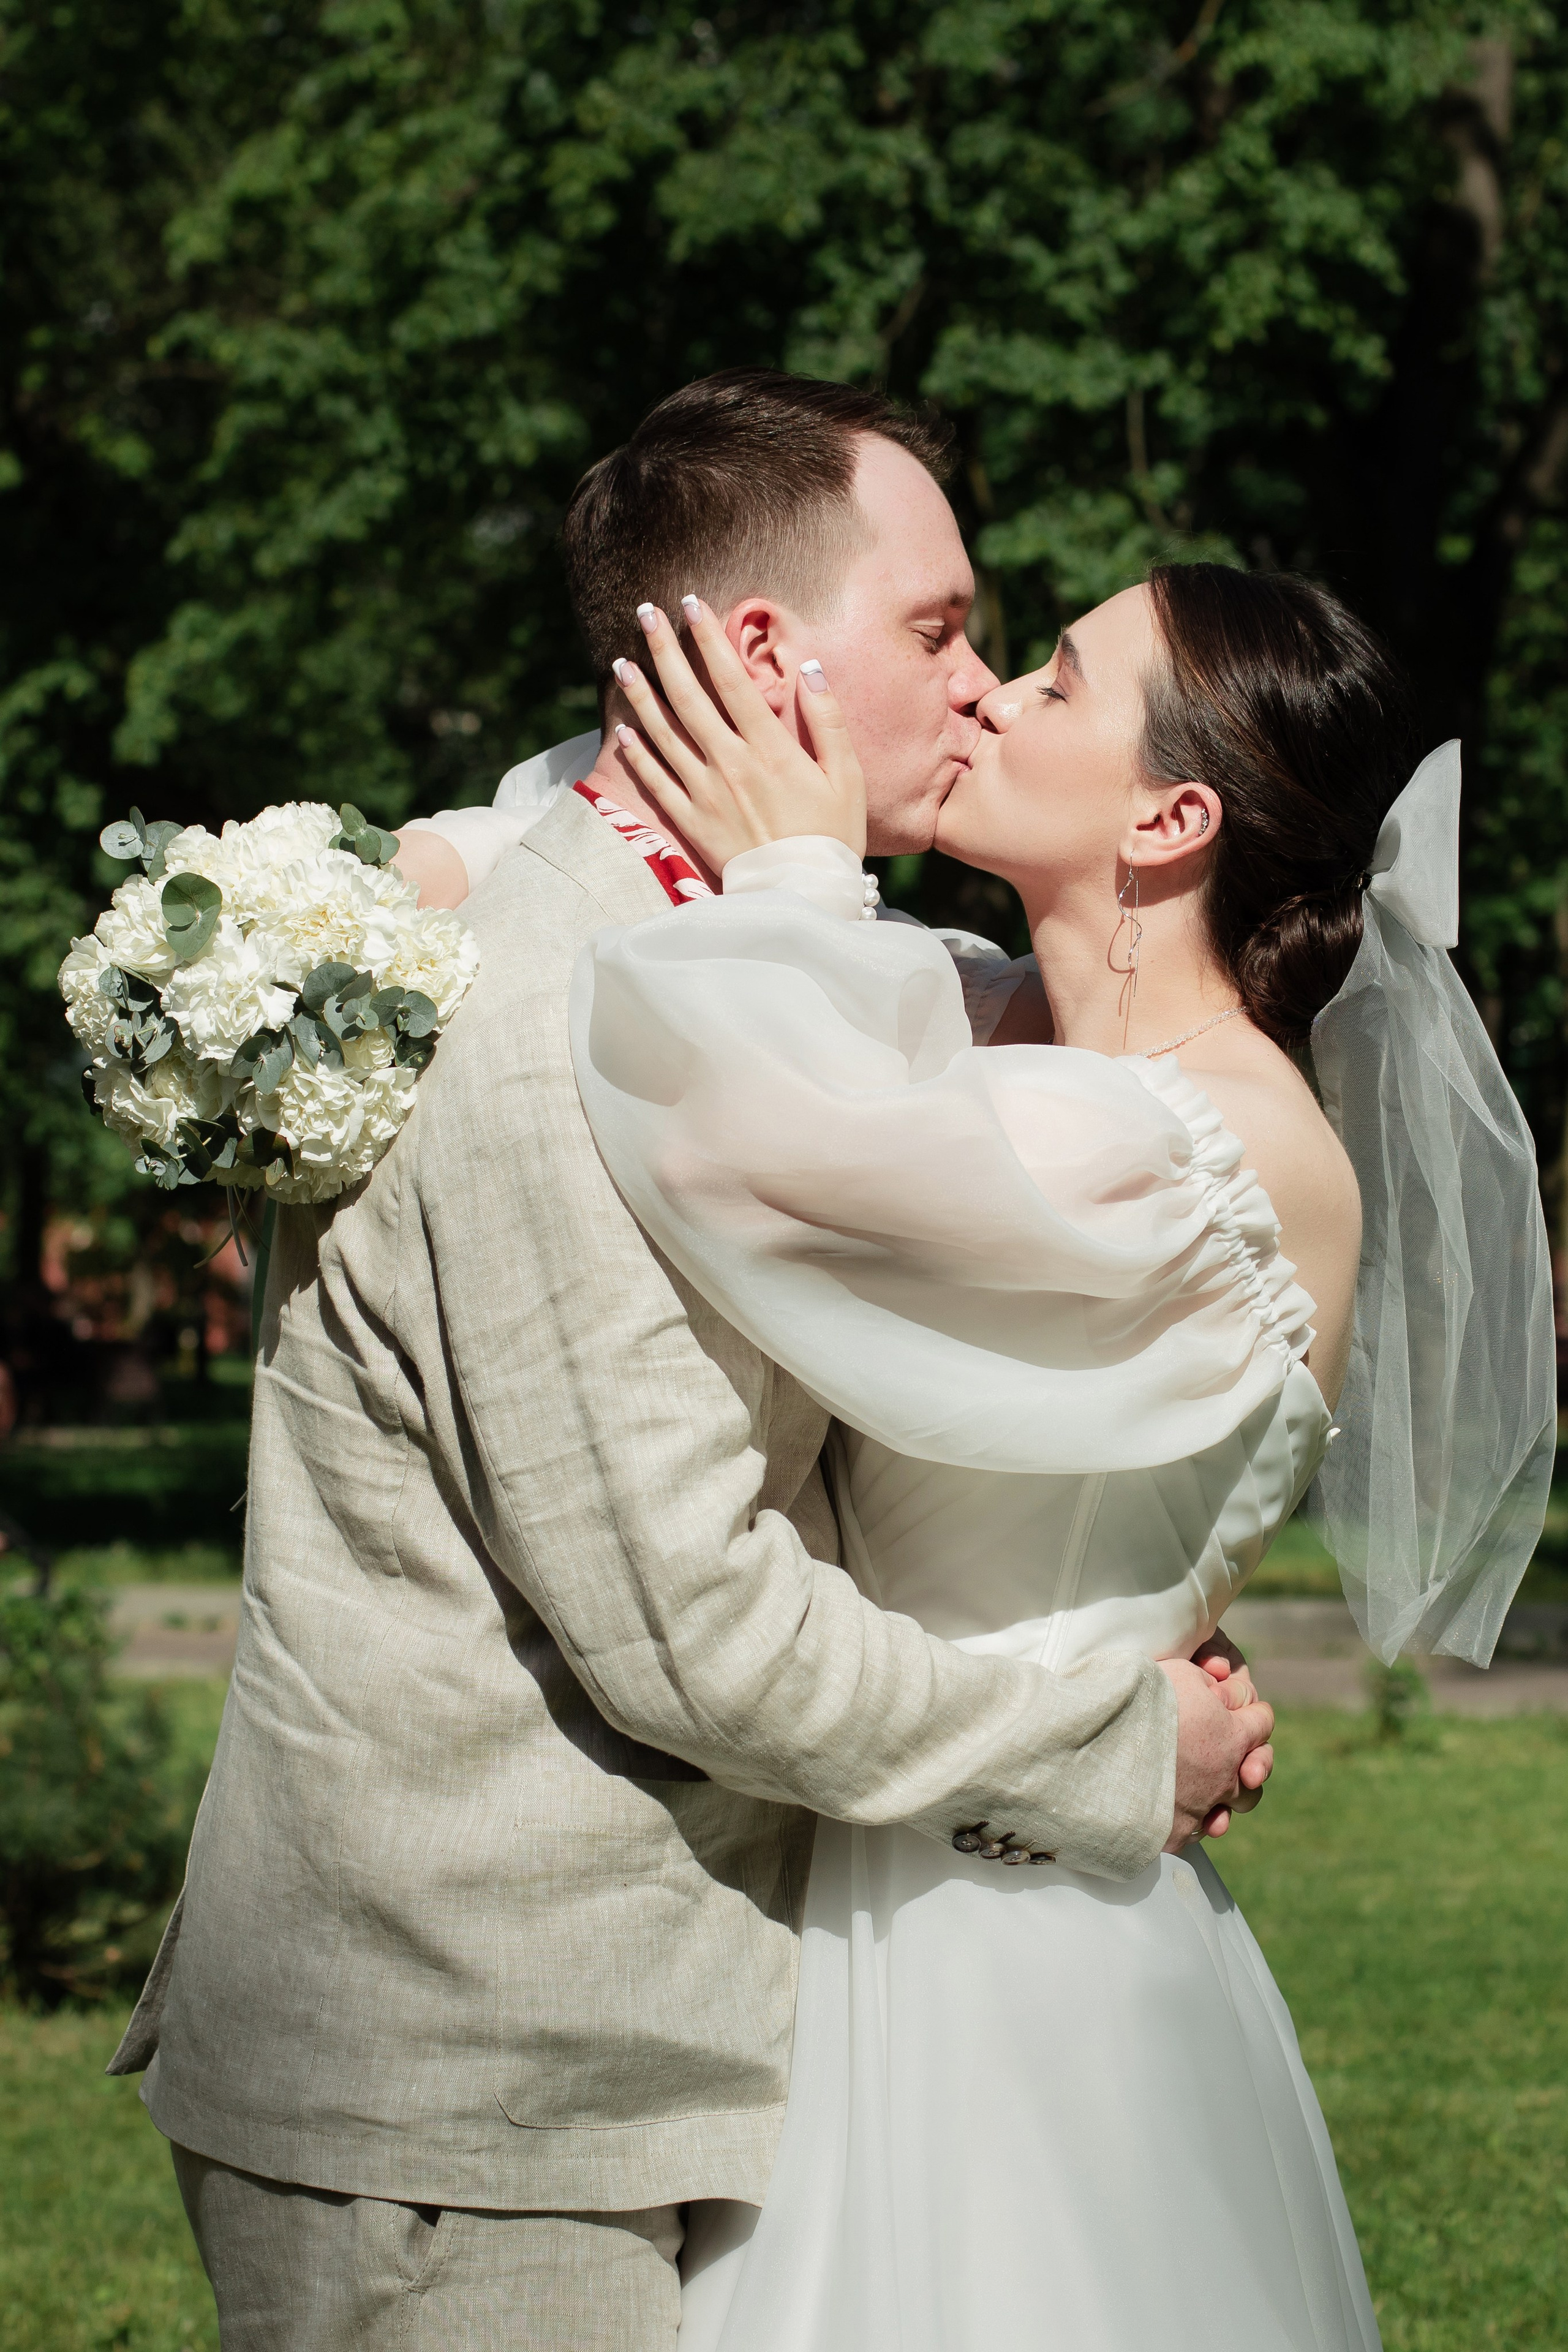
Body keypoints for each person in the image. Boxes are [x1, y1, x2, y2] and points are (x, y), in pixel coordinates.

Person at [107, 372, 1275, 2351]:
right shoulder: (546, 1023)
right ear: (758, 657)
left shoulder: (737, 949)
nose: (982, 685)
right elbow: (698, 1629)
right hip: (451, 2094)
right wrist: (1111, 1746)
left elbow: (983, 1028)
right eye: (937, 629)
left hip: (599, 2063)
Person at [540, 565, 1551, 2348]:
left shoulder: (1210, 1146)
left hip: (1014, 1963)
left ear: (1171, 818)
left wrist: (793, 873)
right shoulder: (998, 1028)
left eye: (1057, 681)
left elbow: (727, 1139)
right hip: (849, 1901)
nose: (993, 691)